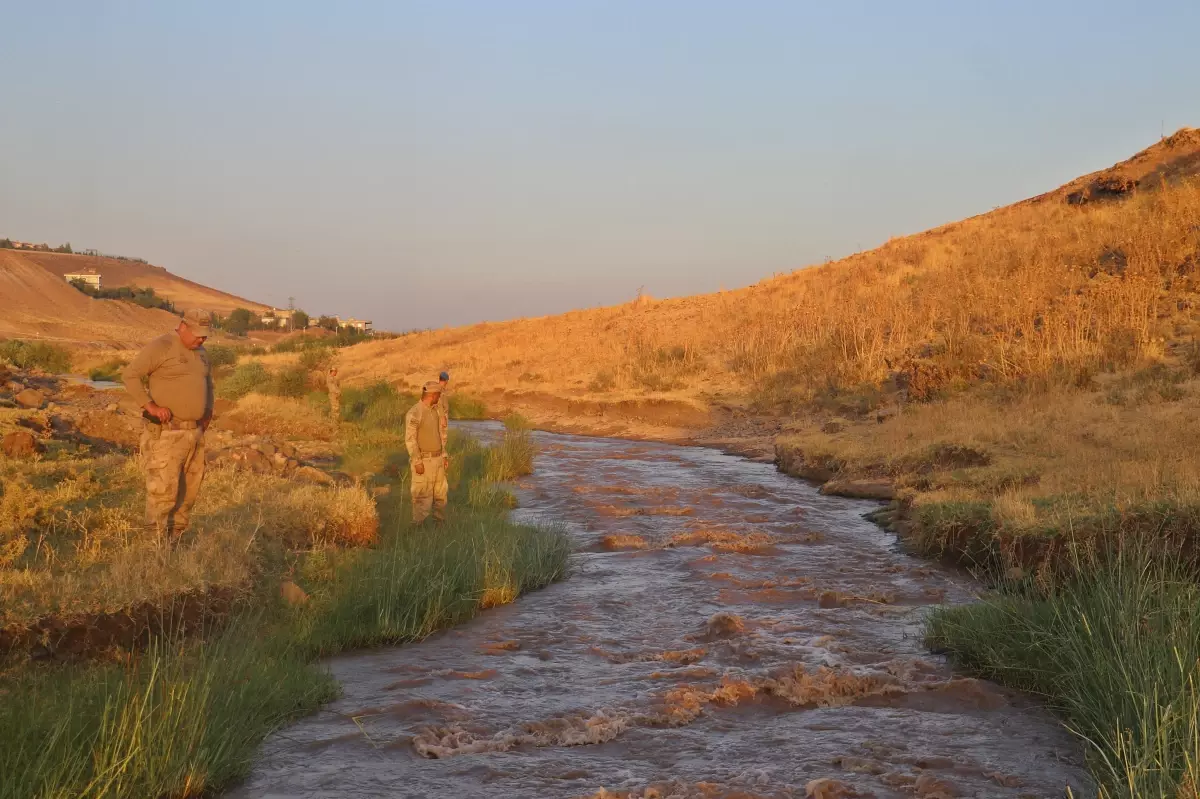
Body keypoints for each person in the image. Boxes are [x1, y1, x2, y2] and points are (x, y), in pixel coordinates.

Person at [121, 308, 214, 539]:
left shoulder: (201, 352)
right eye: (197, 334)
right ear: (183, 326)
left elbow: (208, 384)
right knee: (163, 493)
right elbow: (130, 376)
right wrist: (150, 406)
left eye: (205, 335)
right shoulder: (162, 346)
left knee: (188, 494)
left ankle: (175, 543)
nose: (201, 339)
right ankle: (154, 549)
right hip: (167, 434)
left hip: (194, 434)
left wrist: (208, 412)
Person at [404, 380, 449, 524]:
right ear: (432, 395)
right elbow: (410, 439)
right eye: (438, 395)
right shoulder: (415, 412)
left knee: (441, 496)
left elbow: (440, 434)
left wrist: (444, 455)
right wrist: (417, 461)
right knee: (422, 498)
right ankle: (418, 529)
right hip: (424, 461)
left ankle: (439, 526)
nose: (439, 398)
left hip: (438, 460)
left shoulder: (436, 410)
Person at [436, 370, 450, 440]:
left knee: (441, 435)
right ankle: (442, 450)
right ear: (446, 380)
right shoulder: (439, 389)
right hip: (441, 414)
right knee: (443, 436)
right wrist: (442, 417)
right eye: (447, 381)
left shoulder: (441, 389)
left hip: (442, 414)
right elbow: (439, 402)